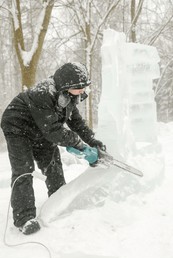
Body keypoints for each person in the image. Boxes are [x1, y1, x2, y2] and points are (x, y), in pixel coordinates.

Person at [1, 62, 106, 235]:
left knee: (53, 164)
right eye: (80, 88)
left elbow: (76, 123)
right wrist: (79, 145)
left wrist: (93, 141)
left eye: (84, 87)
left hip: (41, 128)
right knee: (24, 169)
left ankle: (58, 201)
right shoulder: (42, 93)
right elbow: (53, 132)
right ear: (67, 85)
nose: (83, 91)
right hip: (18, 127)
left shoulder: (70, 96)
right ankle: (24, 218)